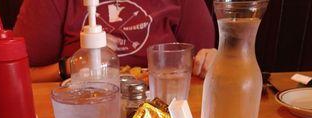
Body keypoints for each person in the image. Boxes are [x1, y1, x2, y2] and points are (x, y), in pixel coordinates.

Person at [14, 0, 217, 82]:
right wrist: (70, 66)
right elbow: (17, 75)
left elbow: (204, 66)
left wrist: (214, 61)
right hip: (82, 113)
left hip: (165, 106)